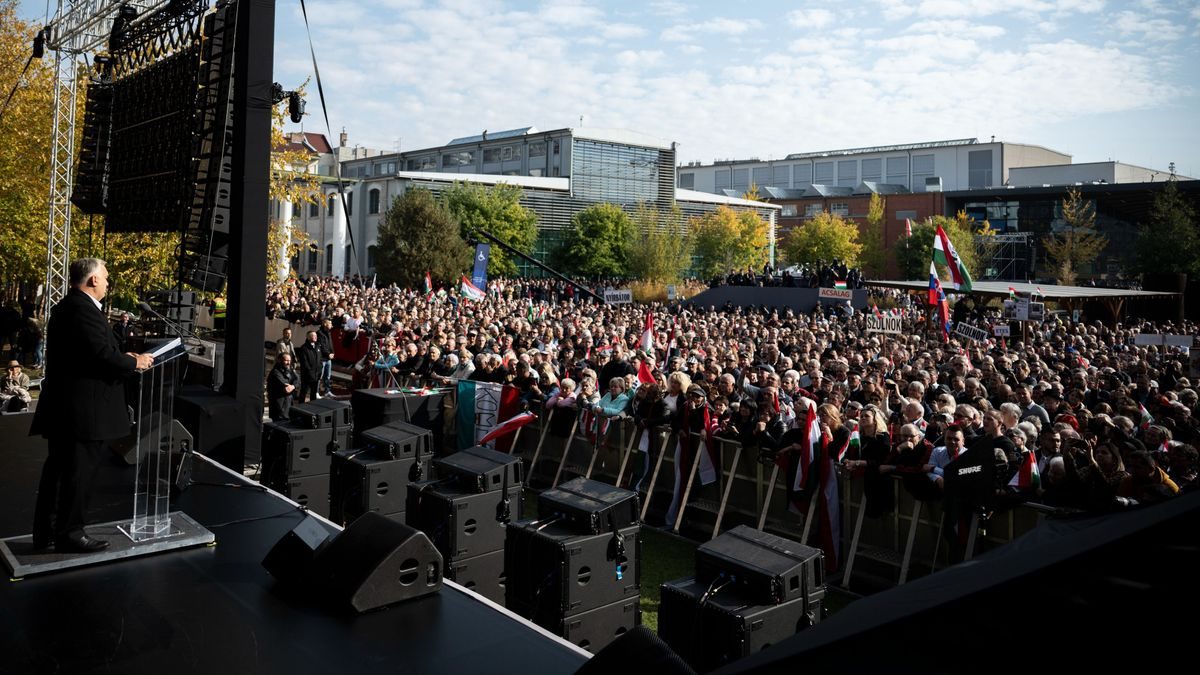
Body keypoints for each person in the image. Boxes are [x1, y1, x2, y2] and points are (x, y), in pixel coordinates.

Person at [29, 258, 154, 553]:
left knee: (60, 473)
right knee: (75, 474)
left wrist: (123, 355)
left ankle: (48, 532)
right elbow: (100, 355)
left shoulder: (71, 307)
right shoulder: (81, 309)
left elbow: (92, 351)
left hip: (72, 411)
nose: (109, 283)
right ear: (93, 280)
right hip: (82, 413)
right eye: (106, 277)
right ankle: (69, 533)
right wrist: (134, 362)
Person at [267, 352, 299, 421]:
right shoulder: (275, 372)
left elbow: (297, 379)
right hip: (279, 407)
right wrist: (294, 385)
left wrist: (293, 386)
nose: (288, 363)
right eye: (286, 360)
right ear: (279, 360)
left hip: (288, 405)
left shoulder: (289, 370)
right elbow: (286, 387)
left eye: (290, 360)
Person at [295, 330, 324, 403]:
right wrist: (310, 373)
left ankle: (312, 406)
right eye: (313, 336)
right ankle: (300, 406)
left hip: (316, 375)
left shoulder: (318, 346)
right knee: (304, 392)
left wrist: (320, 370)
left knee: (313, 393)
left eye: (316, 336)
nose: (315, 337)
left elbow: (320, 360)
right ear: (308, 337)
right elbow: (304, 363)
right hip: (307, 376)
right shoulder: (304, 348)